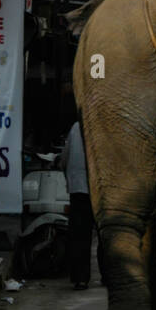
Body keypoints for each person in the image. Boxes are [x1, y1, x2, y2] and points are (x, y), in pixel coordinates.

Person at [59, 120, 105, 290]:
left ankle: (81, 279)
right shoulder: (107, 123)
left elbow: (65, 157)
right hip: (103, 190)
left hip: (79, 189)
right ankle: (108, 276)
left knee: (79, 236)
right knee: (105, 234)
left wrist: (68, 176)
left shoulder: (76, 127)